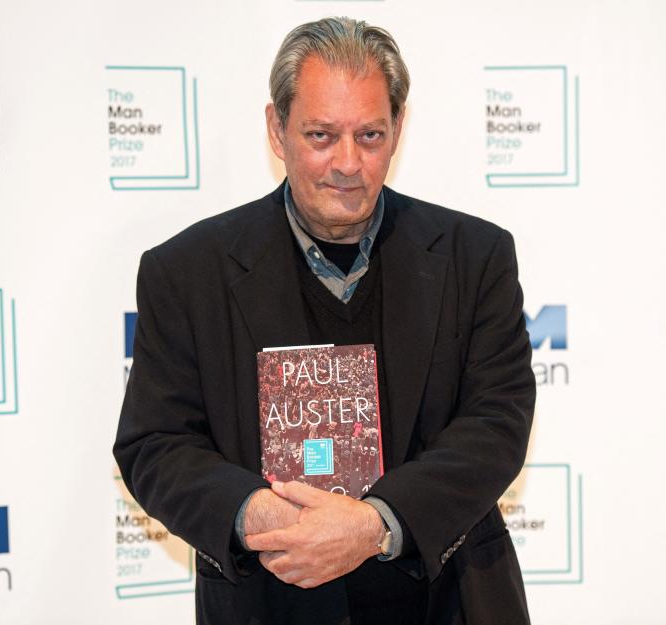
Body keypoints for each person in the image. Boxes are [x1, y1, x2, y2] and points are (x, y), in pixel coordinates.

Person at [114, 16, 535, 625]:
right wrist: (257, 514)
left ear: (398, 129)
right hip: (267, 602)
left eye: (369, 135)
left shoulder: (476, 256)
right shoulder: (186, 272)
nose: (347, 163)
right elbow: (154, 445)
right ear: (276, 129)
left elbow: (497, 424)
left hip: (450, 603)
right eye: (320, 135)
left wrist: (373, 526)